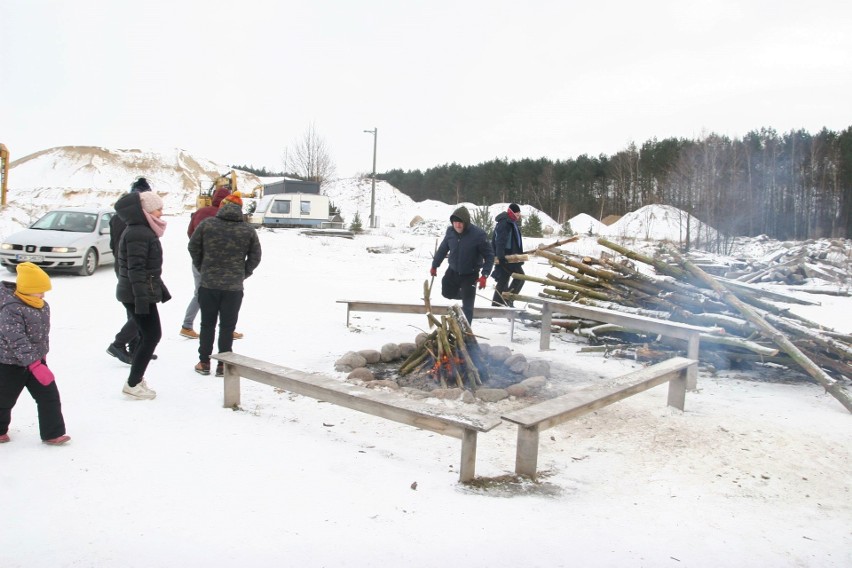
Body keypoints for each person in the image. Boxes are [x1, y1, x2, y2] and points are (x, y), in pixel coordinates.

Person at [188, 192, 261, 377]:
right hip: (233, 288)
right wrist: (243, 273)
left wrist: (202, 267)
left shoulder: (207, 224)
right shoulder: (247, 230)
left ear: (221, 207)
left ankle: (204, 362)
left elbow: (193, 246)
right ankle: (223, 364)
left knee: (207, 324)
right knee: (227, 326)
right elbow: (255, 256)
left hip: (209, 284)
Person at [0, 262, 70, 445]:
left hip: (36, 362)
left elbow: (41, 335)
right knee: (4, 400)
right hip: (10, 363)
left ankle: (52, 433)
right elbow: (17, 340)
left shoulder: (42, 305)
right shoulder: (11, 308)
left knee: (49, 396)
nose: (43, 294)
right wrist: (35, 364)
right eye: (39, 290)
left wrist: (42, 358)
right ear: (26, 289)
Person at [114, 189, 171, 400]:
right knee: (152, 335)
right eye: (158, 209)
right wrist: (141, 300)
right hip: (137, 293)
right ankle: (133, 383)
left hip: (139, 292)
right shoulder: (139, 232)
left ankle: (135, 380)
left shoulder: (141, 230)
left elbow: (146, 268)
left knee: (148, 335)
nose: (161, 213)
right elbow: (136, 270)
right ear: (146, 210)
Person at [179, 185, 244, 341]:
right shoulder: (221, 217)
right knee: (217, 294)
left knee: (203, 292)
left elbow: (190, 234)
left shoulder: (200, 212)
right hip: (215, 264)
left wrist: (198, 257)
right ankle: (189, 325)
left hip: (199, 261)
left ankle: (189, 325)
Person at [106, 177, 157, 364]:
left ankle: (136, 348)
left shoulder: (116, 217)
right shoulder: (138, 221)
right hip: (134, 267)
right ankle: (120, 344)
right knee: (141, 309)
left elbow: (113, 244)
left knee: (134, 308)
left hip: (122, 265)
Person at [430, 205, 494, 325]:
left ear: (466, 222)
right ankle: (465, 295)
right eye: (455, 222)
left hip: (470, 274)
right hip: (453, 271)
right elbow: (443, 249)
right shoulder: (450, 232)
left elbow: (490, 256)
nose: (457, 225)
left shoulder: (479, 235)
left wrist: (484, 275)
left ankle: (466, 334)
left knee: (468, 308)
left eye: (460, 222)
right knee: (446, 292)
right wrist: (435, 265)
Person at [491, 203, 525, 307]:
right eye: (517, 214)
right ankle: (507, 299)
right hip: (506, 257)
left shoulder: (511, 222)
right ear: (512, 212)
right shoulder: (504, 223)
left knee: (503, 280)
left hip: (511, 257)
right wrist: (501, 257)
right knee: (520, 277)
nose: (519, 216)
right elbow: (500, 241)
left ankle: (497, 305)